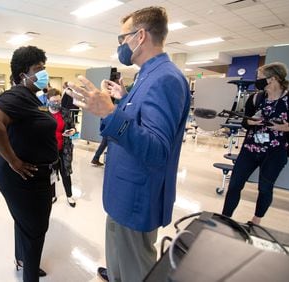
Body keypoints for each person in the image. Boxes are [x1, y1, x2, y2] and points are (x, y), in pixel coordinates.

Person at [67, 6, 190, 281]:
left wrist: (110, 113)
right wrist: (121, 101)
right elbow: (140, 119)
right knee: (118, 256)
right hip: (123, 190)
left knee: (136, 267)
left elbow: (158, 150)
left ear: (140, 36)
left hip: (138, 195)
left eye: (122, 39)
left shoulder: (166, 78)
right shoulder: (146, 75)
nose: (121, 45)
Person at [0, 46, 58, 282]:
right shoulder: (16, 95)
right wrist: (14, 161)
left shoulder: (31, 98)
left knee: (24, 224)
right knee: (35, 231)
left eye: (44, 68)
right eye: (38, 69)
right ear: (22, 75)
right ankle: (30, 275)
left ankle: (22, 260)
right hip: (25, 178)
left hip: (30, 176)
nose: (43, 74)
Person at [222, 62, 289, 225]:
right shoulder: (256, 98)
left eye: (260, 77)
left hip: (275, 152)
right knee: (235, 184)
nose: (257, 80)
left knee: (264, 188)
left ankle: (256, 221)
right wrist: (251, 122)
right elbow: (245, 122)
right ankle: (225, 217)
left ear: (273, 79)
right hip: (250, 149)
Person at [46, 88, 77, 207]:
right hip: (49, 150)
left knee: (65, 173)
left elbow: (73, 127)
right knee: (51, 173)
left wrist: (72, 131)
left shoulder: (65, 112)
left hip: (64, 149)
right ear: (48, 100)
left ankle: (69, 196)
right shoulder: (43, 114)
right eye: (54, 101)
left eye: (59, 101)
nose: (57, 103)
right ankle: (52, 195)